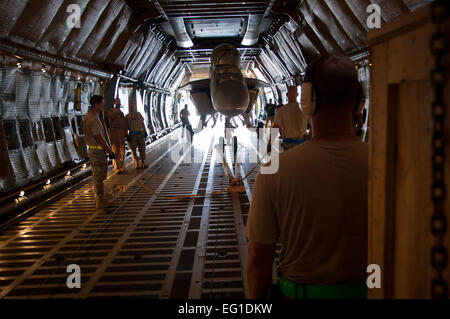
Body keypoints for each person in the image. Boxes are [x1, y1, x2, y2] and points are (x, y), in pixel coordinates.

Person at [246, 54, 368, 299]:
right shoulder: (390, 164)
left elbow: (259, 259)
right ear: (359, 102)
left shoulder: (274, 172)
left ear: (307, 102)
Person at [83, 95, 116, 209]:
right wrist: (110, 152)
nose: (103, 105)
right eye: (101, 103)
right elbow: (99, 138)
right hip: (97, 151)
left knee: (97, 174)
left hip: (93, 150)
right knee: (99, 175)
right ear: (96, 104)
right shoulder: (93, 119)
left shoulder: (89, 116)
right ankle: (99, 200)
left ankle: (98, 198)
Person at [270, 86, 308, 151]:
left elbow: (275, 127)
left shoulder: (281, 110)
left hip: (289, 144)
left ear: (287, 94)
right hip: (303, 144)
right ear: (298, 95)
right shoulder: (305, 109)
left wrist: (270, 143)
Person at [125, 102, 148, 169]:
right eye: (130, 107)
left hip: (139, 134)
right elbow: (125, 126)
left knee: (142, 148)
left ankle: (142, 162)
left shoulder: (139, 114)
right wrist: (126, 135)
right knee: (133, 149)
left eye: (133, 107)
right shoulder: (127, 116)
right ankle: (136, 162)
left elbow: (142, 123)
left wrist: (145, 131)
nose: (131, 108)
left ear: (135, 107)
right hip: (132, 134)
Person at [107, 98, 127, 173]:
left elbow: (124, 123)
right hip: (114, 132)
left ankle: (121, 165)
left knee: (122, 150)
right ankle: (116, 167)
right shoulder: (111, 111)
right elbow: (110, 120)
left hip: (121, 133)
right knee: (116, 150)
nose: (119, 103)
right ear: (114, 103)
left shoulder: (121, 112)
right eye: (117, 102)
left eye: (120, 102)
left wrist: (125, 133)